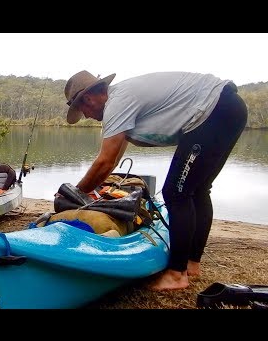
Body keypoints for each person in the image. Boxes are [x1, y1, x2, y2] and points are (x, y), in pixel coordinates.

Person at [63, 70, 247, 291]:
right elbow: (112, 161)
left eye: (81, 108)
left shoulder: (118, 102)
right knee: (197, 191)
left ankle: (177, 274)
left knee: (176, 194)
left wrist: (75, 193)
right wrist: (85, 192)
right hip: (228, 107)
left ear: (88, 98)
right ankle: (191, 265)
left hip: (214, 110)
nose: (84, 115)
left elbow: (104, 162)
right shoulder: (122, 100)